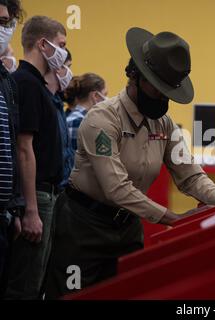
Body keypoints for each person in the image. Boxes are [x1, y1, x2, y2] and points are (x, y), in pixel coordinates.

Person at [44, 27, 215, 299]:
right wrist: (173, 219)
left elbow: (190, 175)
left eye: (168, 92)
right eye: (158, 90)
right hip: (82, 228)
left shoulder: (164, 124)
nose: (163, 99)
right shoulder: (102, 120)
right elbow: (116, 187)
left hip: (126, 230)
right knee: (73, 294)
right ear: (135, 76)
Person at [5, 15, 67, 300]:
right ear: (43, 44)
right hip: (37, 194)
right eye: (61, 45)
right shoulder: (26, 83)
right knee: (25, 285)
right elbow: (23, 148)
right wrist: (30, 209)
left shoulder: (38, 85)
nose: (64, 53)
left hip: (47, 194)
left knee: (37, 282)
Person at [0, 0, 24, 298]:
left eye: (5, 22)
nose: (2, 28)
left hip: (4, 214)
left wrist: (16, 208)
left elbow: (13, 146)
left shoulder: (6, 81)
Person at [45, 49, 75, 187]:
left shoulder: (57, 100)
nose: (70, 73)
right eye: (68, 67)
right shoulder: (47, 99)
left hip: (60, 187)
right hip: (49, 186)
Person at [65, 73, 107, 150]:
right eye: (105, 94)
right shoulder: (82, 122)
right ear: (95, 96)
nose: (107, 99)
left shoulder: (70, 119)